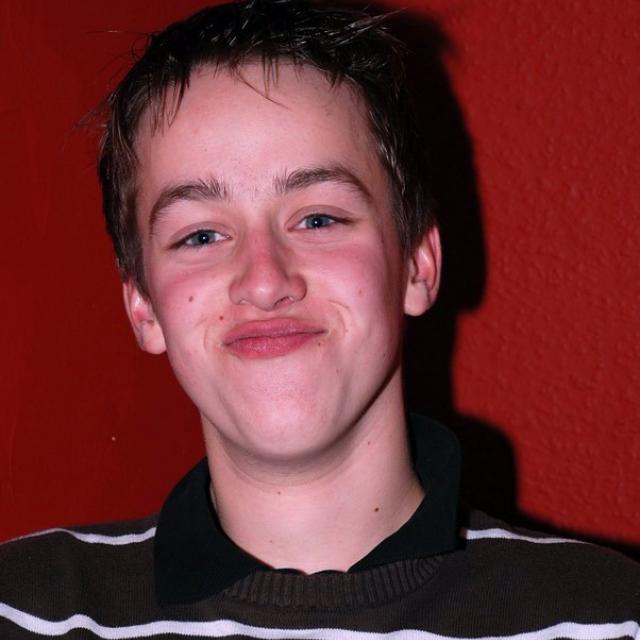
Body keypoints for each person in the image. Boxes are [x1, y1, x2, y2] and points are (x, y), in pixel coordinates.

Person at [1, 1, 638, 638]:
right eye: (200, 235)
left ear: (417, 263)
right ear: (142, 304)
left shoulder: (612, 619)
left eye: (318, 219)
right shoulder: (23, 610)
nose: (264, 281)